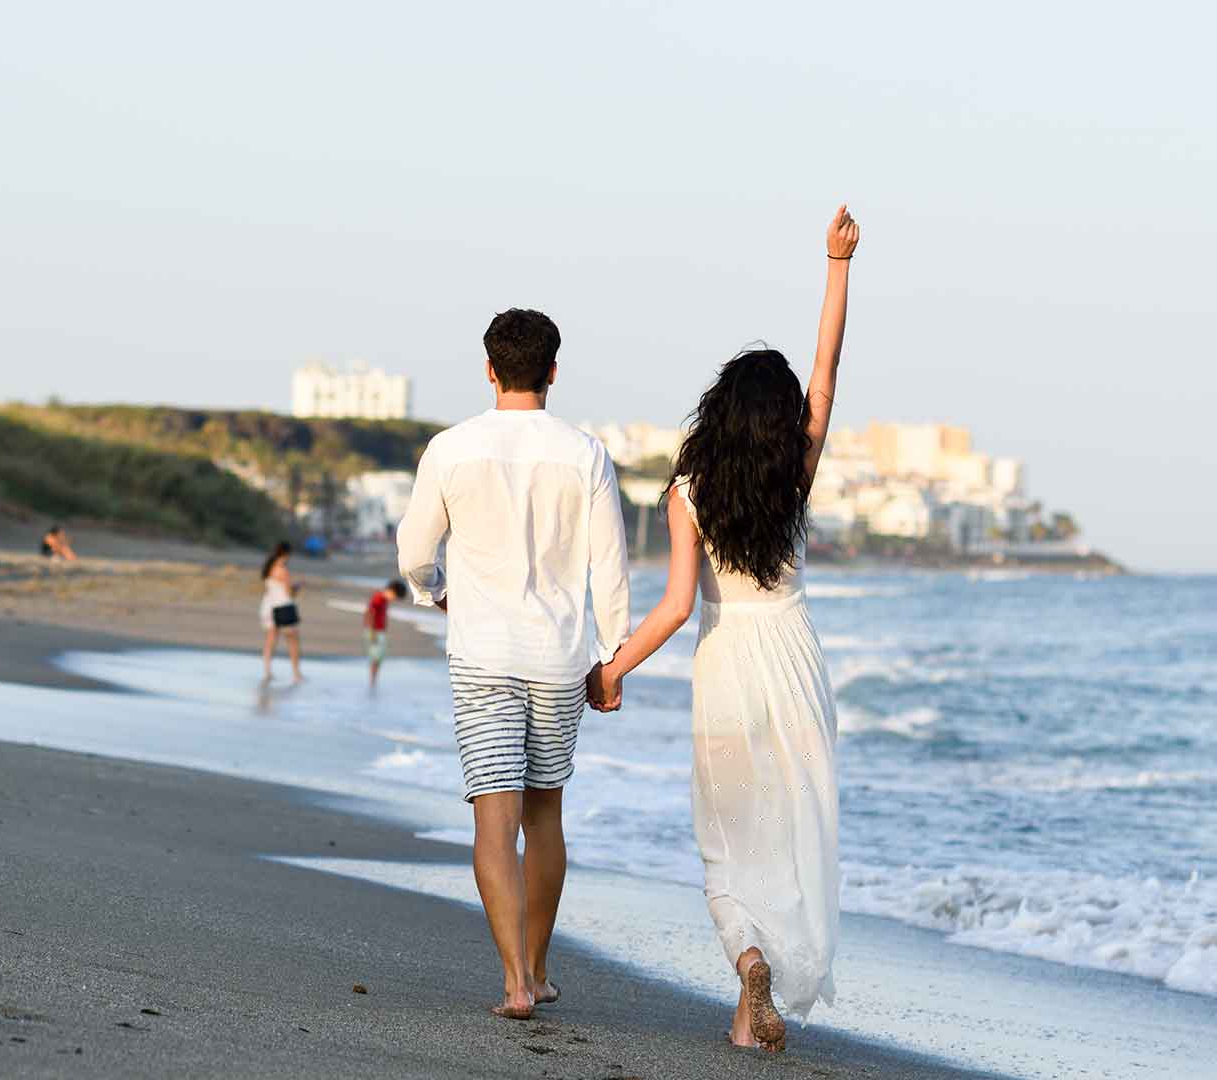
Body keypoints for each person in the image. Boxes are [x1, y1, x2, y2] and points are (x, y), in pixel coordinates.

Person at [594, 206, 859, 1052]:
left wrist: (614, 669)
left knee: (726, 830)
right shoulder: (795, 472)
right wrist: (836, 264)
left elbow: (674, 607)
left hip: (729, 661)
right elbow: (826, 372)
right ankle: (756, 999)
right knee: (789, 823)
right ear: (780, 420)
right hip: (794, 656)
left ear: (720, 411)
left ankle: (748, 960)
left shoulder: (690, 490)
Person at [396, 308, 632, 1021]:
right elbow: (609, 570)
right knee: (545, 818)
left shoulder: (450, 447)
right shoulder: (585, 452)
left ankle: (513, 985)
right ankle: (537, 965)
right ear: (554, 370)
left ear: (490, 369)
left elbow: (413, 552)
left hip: (482, 654)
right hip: (559, 658)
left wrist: (438, 596)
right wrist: (612, 658)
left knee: (492, 820)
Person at [258, 541, 302, 683]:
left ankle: (267, 671)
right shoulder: (282, 570)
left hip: (268, 606)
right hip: (284, 606)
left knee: (270, 641)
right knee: (293, 641)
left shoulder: (268, 568)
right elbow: (289, 593)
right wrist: (297, 587)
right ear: (286, 554)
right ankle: (296, 674)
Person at [362, 580, 409, 688]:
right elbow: (370, 613)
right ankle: (373, 681)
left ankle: (374, 680)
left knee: (379, 656)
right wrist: (372, 631)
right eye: (395, 597)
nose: (394, 599)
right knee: (376, 656)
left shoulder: (384, 600)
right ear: (391, 591)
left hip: (379, 631)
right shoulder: (378, 598)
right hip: (375, 631)